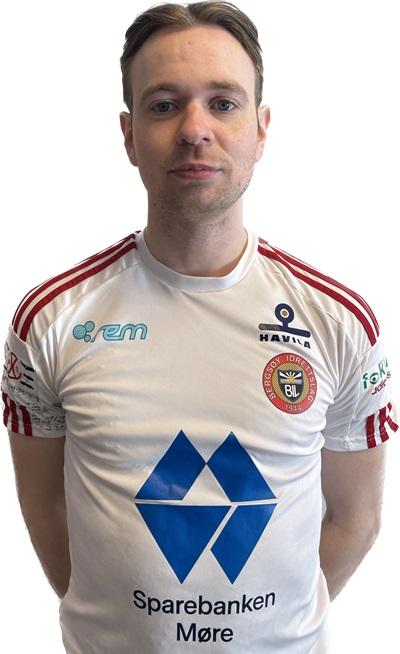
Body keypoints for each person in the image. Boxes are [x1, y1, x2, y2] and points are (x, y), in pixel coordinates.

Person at [2, 1, 398, 652]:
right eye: (164, 105)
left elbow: (356, 520)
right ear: (129, 135)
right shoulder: (50, 319)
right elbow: (45, 509)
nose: (194, 129)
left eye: (223, 103)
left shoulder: (340, 323)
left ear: (261, 130)